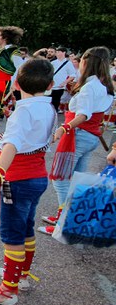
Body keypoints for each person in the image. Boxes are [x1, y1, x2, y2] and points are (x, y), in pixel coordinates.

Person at [0, 58, 56, 305]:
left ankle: (7, 291)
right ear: (50, 85)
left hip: (18, 179)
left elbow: (12, 146)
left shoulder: (24, 111)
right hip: (37, 176)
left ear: (16, 83)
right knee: (26, 227)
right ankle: (22, 276)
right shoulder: (49, 108)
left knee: (13, 235)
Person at [39, 46, 114, 235]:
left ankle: (64, 222)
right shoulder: (103, 86)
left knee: (61, 179)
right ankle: (65, 218)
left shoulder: (90, 87)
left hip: (78, 135)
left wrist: (63, 128)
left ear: (87, 62)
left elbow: (83, 115)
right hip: (89, 136)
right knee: (75, 179)